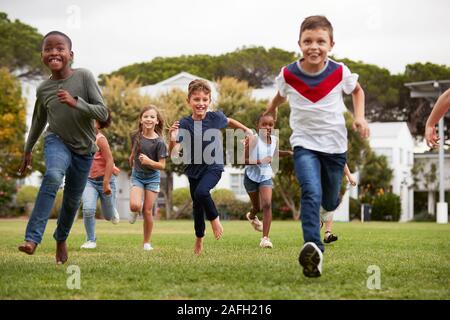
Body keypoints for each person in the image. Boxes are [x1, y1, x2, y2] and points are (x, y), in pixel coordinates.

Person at [264, 16, 370, 277]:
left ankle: (326, 211)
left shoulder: (339, 71)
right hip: (304, 144)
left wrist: (359, 117)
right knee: (310, 190)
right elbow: (280, 94)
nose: (314, 46)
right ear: (299, 43)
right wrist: (269, 112)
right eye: (308, 41)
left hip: (335, 146)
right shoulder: (288, 73)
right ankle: (313, 247)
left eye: (320, 41)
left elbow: (357, 91)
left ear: (331, 44)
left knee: (330, 198)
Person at [18, 31, 109, 264]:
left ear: (71, 54)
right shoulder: (43, 89)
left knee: (71, 200)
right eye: (49, 49)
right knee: (52, 175)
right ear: (42, 56)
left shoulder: (84, 77)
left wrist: (75, 102)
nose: (54, 52)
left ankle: (61, 239)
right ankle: (32, 239)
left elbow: (103, 113)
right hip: (56, 140)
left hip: (84, 149)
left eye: (60, 48)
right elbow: (38, 121)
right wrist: (28, 150)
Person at [169, 79, 253, 255]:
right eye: (197, 99)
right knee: (197, 207)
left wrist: (247, 130)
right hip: (193, 169)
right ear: (189, 101)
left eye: (205, 100)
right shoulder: (184, 123)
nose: (201, 103)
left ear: (209, 101)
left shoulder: (215, 118)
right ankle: (199, 238)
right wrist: (172, 140)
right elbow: (174, 152)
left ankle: (215, 219)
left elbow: (230, 121)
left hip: (214, 167)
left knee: (201, 193)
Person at [244, 113, 293, 248]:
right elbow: (244, 160)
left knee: (266, 204)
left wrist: (288, 153)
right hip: (250, 177)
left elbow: (273, 153)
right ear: (258, 126)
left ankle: (265, 238)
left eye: (270, 124)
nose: (268, 127)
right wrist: (260, 161)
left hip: (265, 175)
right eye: (264, 124)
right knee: (257, 207)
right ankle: (252, 215)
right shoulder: (253, 140)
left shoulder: (274, 140)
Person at [128, 105, 168, 251]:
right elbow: (133, 151)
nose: (149, 119)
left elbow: (162, 166)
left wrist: (149, 162)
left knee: (147, 211)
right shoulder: (135, 135)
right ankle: (134, 211)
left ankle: (146, 242)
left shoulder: (160, 143)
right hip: (137, 176)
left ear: (157, 121)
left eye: (152, 117)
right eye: (146, 116)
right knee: (135, 206)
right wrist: (131, 158)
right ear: (141, 119)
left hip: (152, 179)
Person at [80, 113, 121, 250]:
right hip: (89, 181)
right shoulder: (81, 137)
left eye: (93, 120)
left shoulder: (100, 139)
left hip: (106, 180)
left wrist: (106, 182)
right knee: (88, 209)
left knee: (109, 217)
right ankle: (91, 239)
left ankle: (112, 209)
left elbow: (109, 160)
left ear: (99, 124)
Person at [319, 164, 357, 244]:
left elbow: (342, 160)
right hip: (320, 177)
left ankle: (327, 233)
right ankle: (319, 224)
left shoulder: (336, 152)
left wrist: (350, 177)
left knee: (331, 203)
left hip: (332, 179)